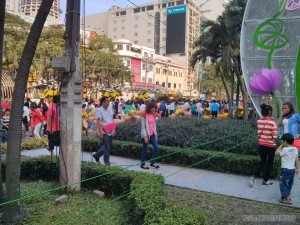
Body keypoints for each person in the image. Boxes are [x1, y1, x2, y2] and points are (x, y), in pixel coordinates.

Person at [249, 103, 278, 187]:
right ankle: (265, 180)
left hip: (261, 145)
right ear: (269, 112)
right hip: (270, 146)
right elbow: (275, 136)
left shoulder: (259, 121)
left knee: (262, 162)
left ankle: (253, 176)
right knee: (269, 163)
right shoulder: (272, 123)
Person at [275, 133, 299, 205]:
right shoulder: (295, 149)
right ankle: (284, 197)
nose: (282, 142)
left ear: (285, 142)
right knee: (289, 183)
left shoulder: (285, 149)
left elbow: (276, 153)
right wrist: (298, 168)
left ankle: (288, 198)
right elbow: (297, 159)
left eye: (282, 141)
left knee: (283, 184)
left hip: (285, 170)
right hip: (292, 170)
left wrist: (281, 146)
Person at [93, 96, 115, 165]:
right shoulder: (99, 111)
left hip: (110, 130)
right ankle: (107, 162)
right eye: (107, 101)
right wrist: (100, 133)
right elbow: (98, 123)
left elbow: (112, 120)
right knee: (107, 147)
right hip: (103, 131)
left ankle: (96, 155)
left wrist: (113, 129)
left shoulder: (110, 110)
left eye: (109, 101)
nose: (108, 103)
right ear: (103, 102)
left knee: (107, 146)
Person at [140, 101, 160, 169]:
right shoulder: (144, 115)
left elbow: (153, 124)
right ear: (149, 107)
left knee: (156, 147)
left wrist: (155, 133)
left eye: (155, 107)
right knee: (145, 149)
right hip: (146, 134)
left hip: (152, 134)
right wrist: (145, 136)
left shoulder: (153, 114)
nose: (154, 109)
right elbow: (143, 126)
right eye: (152, 107)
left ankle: (152, 162)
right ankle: (142, 164)